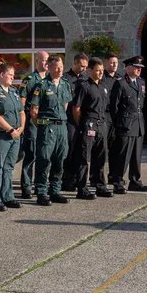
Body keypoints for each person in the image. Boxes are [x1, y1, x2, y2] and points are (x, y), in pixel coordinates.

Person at [30, 55, 72, 206]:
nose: (60, 69)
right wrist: (42, 126)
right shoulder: (42, 85)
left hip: (62, 127)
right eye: (56, 67)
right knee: (44, 160)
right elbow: (34, 111)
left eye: (61, 66)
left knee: (59, 159)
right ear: (49, 67)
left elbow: (65, 105)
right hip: (47, 127)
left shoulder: (65, 84)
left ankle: (55, 190)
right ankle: (41, 192)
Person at [0, 62, 25, 211]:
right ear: (1, 75)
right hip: (0, 136)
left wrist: (21, 128)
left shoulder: (13, 91)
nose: (13, 77)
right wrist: (9, 130)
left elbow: (21, 111)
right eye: (10, 74)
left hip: (15, 136)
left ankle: (8, 197)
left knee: (9, 167)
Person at [71, 57, 114, 200]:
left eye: (102, 71)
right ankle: (82, 188)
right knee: (84, 157)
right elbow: (76, 109)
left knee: (100, 157)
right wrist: (82, 124)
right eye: (98, 70)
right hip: (89, 123)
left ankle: (100, 185)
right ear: (90, 70)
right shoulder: (84, 86)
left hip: (102, 125)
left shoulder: (104, 86)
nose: (101, 73)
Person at [109, 55, 147, 193]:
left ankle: (135, 181)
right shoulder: (121, 83)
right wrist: (117, 123)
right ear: (128, 68)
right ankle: (118, 181)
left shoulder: (141, 83)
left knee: (136, 156)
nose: (139, 70)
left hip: (138, 123)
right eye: (136, 67)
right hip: (125, 124)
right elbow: (114, 106)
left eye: (140, 68)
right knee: (122, 155)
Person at [18, 51, 48, 199]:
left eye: (47, 60)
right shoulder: (30, 79)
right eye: (43, 60)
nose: (46, 63)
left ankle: (40, 185)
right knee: (30, 154)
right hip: (32, 122)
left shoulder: (49, 80)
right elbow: (22, 100)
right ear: (37, 61)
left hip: (46, 122)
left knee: (44, 155)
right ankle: (27, 186)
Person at [61, 52, 89, 192]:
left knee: (80, 149)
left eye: (85, 67)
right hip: (69, 118)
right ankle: (66, 178)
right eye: (81, 66)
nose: (83, 69)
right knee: (69, 149)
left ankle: (78, 178)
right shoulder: (65, 78)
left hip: (82, 117)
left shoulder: (85, 79)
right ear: (75, 63)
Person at [100, 55, 121, 191]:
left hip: (116, 116)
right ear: (106, 63)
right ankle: (98, 178)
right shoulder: (102, 78)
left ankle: (114, 176)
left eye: (116, 63)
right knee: (101, 149)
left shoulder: (120, 78)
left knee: (115, 149)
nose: (114, 65)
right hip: (105, 115)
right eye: (111, 62)